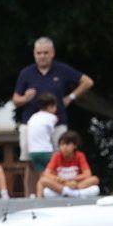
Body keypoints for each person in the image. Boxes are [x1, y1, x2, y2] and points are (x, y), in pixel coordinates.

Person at [12, 38, 93, 193]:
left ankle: (55, 194)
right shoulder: (26, 73)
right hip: (30, 126)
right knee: (29, 162)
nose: (42, 56)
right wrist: (24, 98)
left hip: (57, 124)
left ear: (52, 53)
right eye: (38, 53)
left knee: (58, 159)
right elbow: (15, 99)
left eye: (45, 53)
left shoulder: (62, 69)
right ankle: (30, 197)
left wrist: (71, 97)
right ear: (34, 54)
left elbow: (87, 82)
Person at [36, 131, 99, 198]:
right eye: (62, 145)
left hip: (76, 185)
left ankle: (70, 193)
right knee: (42, 181)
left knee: (95, 179)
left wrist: (73, 180)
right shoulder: (57, 156)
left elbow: (87, 174)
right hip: (61, 185)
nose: (64, 147)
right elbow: (46, 174)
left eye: (67, 144)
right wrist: (61, 180)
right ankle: (72, 194)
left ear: (75, 145)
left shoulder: (79, 156)